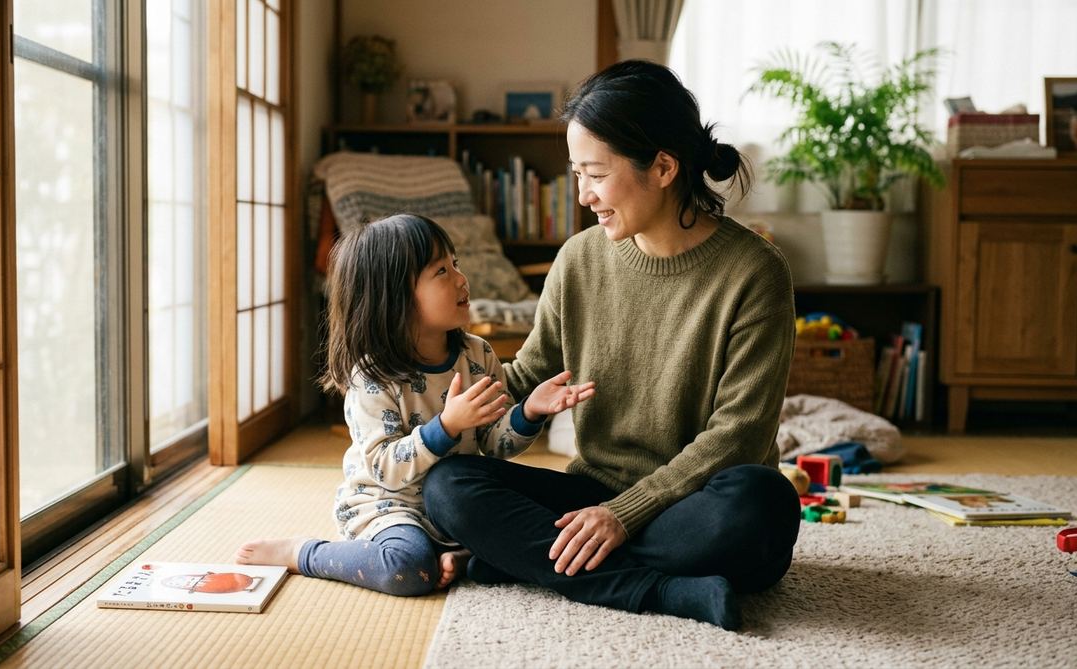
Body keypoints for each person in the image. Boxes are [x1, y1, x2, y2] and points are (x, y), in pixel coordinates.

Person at [421, 60, 801, 630]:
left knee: (763, 502)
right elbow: (525, 378)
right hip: (588, 492)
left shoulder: (755, 272)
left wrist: (623, 516)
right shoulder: (579, 259)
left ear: (665, 166)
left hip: (691, 503)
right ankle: (663, 591)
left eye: (595, 175)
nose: (583, 196)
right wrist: (424, 419)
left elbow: (740, 434)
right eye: (576, 175)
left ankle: (532, 560)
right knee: (448, 487)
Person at [236, 214, 594, 596]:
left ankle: (462, 556)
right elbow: (384, 469)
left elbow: (493, 447)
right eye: (442, 271)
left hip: (456, 509)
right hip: (390, 507)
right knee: (407, 568)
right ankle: (304, 552)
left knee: (554, 531)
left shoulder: (478, 354)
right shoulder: (372, 377)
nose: (461, 278)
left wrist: (527, 413)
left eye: (455, 263)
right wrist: (447, 427)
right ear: (396, 297)